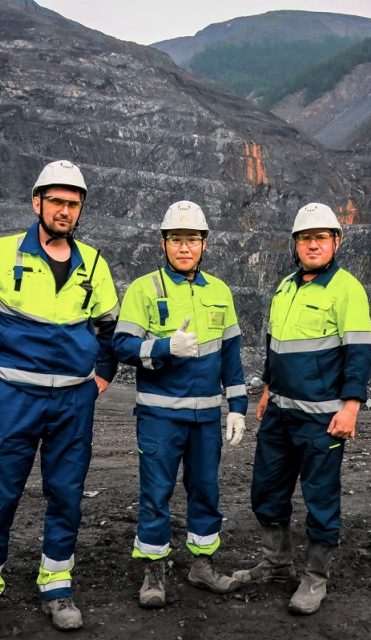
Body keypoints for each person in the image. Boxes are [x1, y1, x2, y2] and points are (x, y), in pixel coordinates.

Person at [0, 160, 119, 635]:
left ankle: (57, 587)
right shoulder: (1, 254)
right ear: (37, 202)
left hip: (73, 403)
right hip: (15, 398)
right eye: (56, 201)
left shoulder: (94, 264)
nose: (64, 211)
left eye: (73, 204)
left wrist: (103, 375)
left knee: (66, 495)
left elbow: (110, 329)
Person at [233, 203, 371, 615]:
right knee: (266, 489)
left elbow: (358, 353)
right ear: (295, 244)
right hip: (279, 413)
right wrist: (267, 389)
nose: (313, 245)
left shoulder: (346, 289)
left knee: (320, 497)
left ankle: (315, 577)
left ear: (336, 242)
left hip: (322, 419)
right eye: (305, 238)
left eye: (321, 238)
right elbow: (277, 345)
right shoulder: (285, 288)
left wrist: (351, 407)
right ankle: (276, 564)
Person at [112, 200, 247, 608]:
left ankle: (202, 565)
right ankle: (154, 570)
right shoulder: (144, 289)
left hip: (205, 419)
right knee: (156, 494)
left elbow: (231, 356)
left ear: (204, 243)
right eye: (176, 239)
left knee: (206, 491)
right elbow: (122, 346)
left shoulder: (220, 292)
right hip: (159, 417)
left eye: (192, 239)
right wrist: (164, 347)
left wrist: (237, 407)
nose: (184, 247)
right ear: (164, 243)